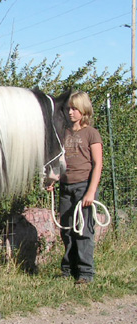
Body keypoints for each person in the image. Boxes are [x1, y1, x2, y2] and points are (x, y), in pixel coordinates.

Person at [48, 91, 103, 284]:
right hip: (66, 186)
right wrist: (53, 179)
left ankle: (85, 273)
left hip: (84, 186)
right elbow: (59, 162)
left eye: (74, 109)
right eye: (68, 108)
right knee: (66, 230)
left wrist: (90, 191)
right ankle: (68, 269)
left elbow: (98, 164)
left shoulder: (91, 133)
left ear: (83, 110)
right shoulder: (63, 133)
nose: (70, 112)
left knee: (84, 230)